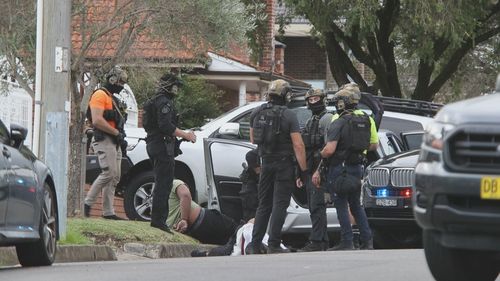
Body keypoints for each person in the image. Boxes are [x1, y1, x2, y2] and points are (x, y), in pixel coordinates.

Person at [245, 79, 308, 254]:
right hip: (284, 165)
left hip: (265, 163)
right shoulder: (289, 115)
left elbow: (252, 139)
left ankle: (255, 244)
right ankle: (273, 243)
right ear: (285, 95)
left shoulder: (257, 111)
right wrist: (303, 171)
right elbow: (298, 145)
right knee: (280, 204)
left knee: (263, 204)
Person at [316, 85, 378, 250]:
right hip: (357, 167)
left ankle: (347, 241)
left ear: (342, 103)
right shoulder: (367, 118)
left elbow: (329, 150)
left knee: (341, 204)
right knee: (356, 205)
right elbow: (373, 145)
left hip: (340, 168)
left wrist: (319, 155)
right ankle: (367, 241)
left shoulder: (338, 120)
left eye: (338, 101)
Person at [142, 73, 197, 233]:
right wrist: (186, 135)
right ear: (168, 86)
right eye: (175, 86)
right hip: (161, 146)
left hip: (155, 144)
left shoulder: (155, 101)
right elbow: (166, 126)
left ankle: (158, 219)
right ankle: (159, 221)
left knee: (162, 182)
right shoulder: (164, 102)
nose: (176, 89)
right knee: (163, 184)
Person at [84, 66, 128, 220]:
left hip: (115, 140)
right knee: (108, 172)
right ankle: (87, 204)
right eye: (120, 82)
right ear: (113, 79)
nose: (122, 86)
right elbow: (97, 120)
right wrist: (116, 132)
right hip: (105, 138)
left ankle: (108, 212)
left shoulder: (112, 98)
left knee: (114, 176)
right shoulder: (100, 95)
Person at [296, 88, 333, 252]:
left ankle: (317, 241)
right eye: (310, 100)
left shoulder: (327, 119)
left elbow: (328, 148)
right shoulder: (311, 121)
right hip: (311, 168)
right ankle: (322, 240)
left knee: (317, 205)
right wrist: (300, 172)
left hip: (321, 169)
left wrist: (320, 170)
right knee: (313, 205)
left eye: (316, 99)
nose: (313, 102)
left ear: (323, 99)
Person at [167, 179, 238, 245]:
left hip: (200, 225)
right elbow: (185, 195)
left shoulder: (172, 185)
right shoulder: (171, 184)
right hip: (202, 223)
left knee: (234, 237)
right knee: (237, 234)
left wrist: (183, 219)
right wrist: (184, 219)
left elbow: (185, 195)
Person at [239, 148, 260, 221]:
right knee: (250, 217)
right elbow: (259, 172)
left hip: (252, 188)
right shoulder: (252, 155)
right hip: (249, 192)